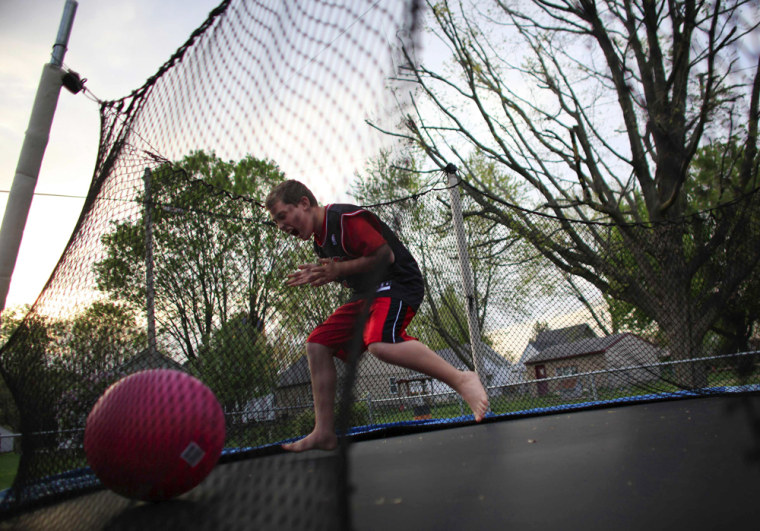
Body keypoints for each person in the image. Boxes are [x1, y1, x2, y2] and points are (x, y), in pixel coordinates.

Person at [266, 179, 489, 452]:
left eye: (281, 216)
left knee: (381, 342)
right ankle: (323, 432)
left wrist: (338, 270)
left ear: (303, 203)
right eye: (276, 223)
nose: (281, 227)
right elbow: (352, 276)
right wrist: (328, 273)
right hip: (367, 294)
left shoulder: (344, 219)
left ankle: (462, 379)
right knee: (317, 344)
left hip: (397, 281)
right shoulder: (320, 245)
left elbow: (386, 258)